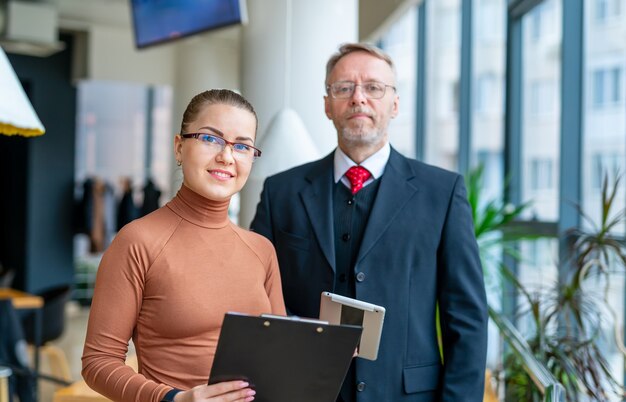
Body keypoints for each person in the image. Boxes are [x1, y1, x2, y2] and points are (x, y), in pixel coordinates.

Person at [250, 43, 488, 402]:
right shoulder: (280, 192)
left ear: (394, 104)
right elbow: (254, 299)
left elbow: (466, 320)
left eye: (374, 88)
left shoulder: (442, 192)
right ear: (327, 105)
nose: (358, 98)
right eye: (344, 88)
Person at [82, 89, 286, 402]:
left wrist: (326, 353)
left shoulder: (262, 250)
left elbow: (281, 355)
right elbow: (98, 363)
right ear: (179, 148)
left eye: (242, 146)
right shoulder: (137, 241)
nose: (226, 157)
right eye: (210, 139)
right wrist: (174, 399)